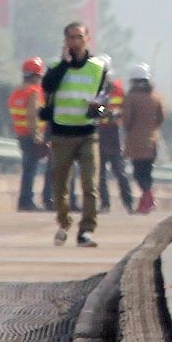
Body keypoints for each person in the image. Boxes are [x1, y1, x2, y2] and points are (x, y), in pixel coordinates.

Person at [39, 20, 110, 247]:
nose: (76, 42)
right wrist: (64, 65)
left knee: (90, 185)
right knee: (60, 185)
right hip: (61, 134)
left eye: (79, 37)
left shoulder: (98, 68)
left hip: (88, 133)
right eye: (71, 37)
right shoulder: (56, 65)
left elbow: (104, 101)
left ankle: (86, 231)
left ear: (87, 39)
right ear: (65, 41)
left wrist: (97, 109)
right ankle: (64, 221)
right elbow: (47, 87)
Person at [119, 63, 167, 213]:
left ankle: (149, 199)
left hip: (136, 144)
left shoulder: (131, 98)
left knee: (139, 174)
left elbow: (126, 121)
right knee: (147, 173)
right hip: (152, 143)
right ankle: (147, 201)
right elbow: (161, 118)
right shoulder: (155, 97)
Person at [8, 58, 48, 212]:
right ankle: (26, 201)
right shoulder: (33, 92)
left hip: (20, 134)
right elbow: (32, 115)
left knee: (27, 168)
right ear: (36, 75)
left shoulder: (17, 92)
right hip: (30, 135)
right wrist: (36, 134)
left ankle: (24, 200)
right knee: (30, 169)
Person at [96, 61, 135, 213]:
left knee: (120, 171)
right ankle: (104, 204)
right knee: (100, 173)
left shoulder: (118, 90)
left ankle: (128, 203)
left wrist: (116, 114)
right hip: (99, 131)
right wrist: (105, 111)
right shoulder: (94, 90)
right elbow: (93, 106)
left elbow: (125, 109)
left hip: (114, 132)